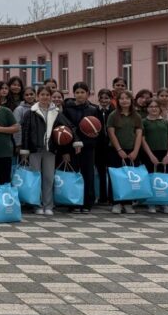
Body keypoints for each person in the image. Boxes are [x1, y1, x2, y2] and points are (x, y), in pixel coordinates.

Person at [19, 86, 74, 216]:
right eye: (42, 95)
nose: (45, 97)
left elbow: (67, 128)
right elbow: (25, 132)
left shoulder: (56, 112)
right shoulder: (30, 113)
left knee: (49, 178)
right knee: (35, 178)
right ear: (38, 96)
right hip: (34, 150)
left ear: (50, 97)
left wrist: (73, 143)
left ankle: (48, 205)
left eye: (47, 95)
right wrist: (24, 151)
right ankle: (36, 205)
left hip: (50, 150)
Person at [62, 82, 100, 212]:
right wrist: (66, 149)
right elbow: (65, 130)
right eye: (77, 92)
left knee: (88, 175)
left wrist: (87, 143)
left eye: (82, 92)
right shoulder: (67, 109)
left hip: (88, 148)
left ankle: (86, 203)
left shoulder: (94, 110)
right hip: (72, 147)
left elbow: (98, 131)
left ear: (88, 94)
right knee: (72, 175)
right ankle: (73, 202)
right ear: (74, 94)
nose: (80, 95)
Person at [107, 90, 142, 215]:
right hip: (115, 151)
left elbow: (139, 134)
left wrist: (135, 151)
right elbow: (111, 133)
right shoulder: (113, 115)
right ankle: (116, 202)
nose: (124, 101)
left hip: (132, 151)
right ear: (118, 101)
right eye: (121, 98)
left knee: (130, 178)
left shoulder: (136, 116)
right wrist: (119, 150)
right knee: (116, 178)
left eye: (127, 98)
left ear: (131, 100)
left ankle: (128, 203)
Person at [141, 99, 168, 214]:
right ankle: (151, 202)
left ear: (160, 108)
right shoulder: (144, 122)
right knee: (151, 178)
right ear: (147, 109)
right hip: (149, 154)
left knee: (164, 179)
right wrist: (151, 155)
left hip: (164, 153)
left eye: (156, 106)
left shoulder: (166, 122)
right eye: (151, 106)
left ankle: (164, 202)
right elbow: (142, 139)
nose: (153, 108)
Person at [95, 88, 115, 205]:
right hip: (98, 146)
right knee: (100, 172)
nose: (104, 100)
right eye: (101, 98)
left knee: (111, 172)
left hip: (111, 146)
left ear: (110, 99)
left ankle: (112, 197)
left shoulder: (114, 111)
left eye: (106, 98)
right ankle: (102, 197)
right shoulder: (94, 111)